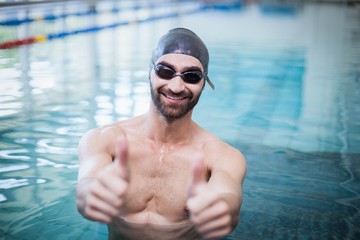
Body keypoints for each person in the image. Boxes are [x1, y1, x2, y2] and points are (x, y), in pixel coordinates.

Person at [76, 28, 246, 240]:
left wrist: (222, 210)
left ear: (204, 84)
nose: (176, 86)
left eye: (191, 76)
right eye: (165, 71)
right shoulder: (104, 140)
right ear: (150, 73)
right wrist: (90, 193)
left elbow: (228, 195)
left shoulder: (221, 156)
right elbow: (87, 182)